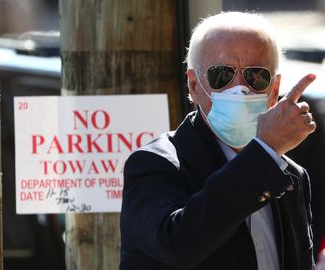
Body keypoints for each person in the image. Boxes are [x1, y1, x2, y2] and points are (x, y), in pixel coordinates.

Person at [120, 12, 316, 270]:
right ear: (193, 86)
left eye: (256, 76)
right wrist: (264, 152)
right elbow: (180, 245)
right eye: (221, 75)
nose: (240, 88)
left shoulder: (291, 175)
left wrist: (266, 154)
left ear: (274, 90)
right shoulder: (155, 164)